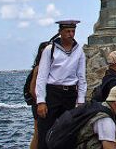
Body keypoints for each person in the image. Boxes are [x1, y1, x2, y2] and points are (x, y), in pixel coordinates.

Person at [36, 20, 87, 149]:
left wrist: (80, 100)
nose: (71, 34)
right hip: (53, 92)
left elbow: (81, 77)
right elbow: (42, 76)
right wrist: (41, 101)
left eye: (73, 31)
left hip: (70, 93)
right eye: (68, 31)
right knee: (45, 129)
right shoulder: (50, 49)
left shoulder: (79, 51)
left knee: (68, 130)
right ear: (60, 32)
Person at [28, 42, 51, 149]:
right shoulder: (39, 68)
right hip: (39, 104)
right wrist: (41, 102)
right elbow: (32, 90)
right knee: (38, 133)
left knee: (41, 132)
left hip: (43, 103)